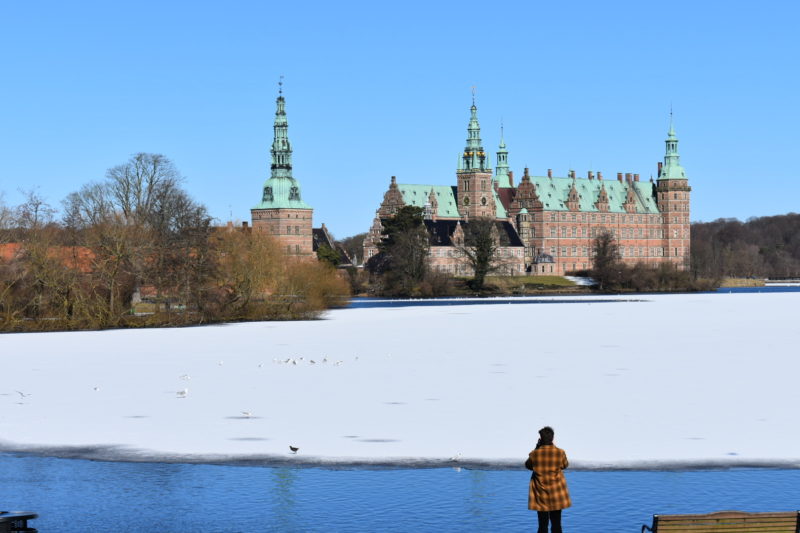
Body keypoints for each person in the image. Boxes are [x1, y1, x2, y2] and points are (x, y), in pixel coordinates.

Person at [525, 426, 571, 533]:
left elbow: (528, 466)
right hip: (557, 493)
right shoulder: (560, 453)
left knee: (542, 526)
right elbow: (565, 465)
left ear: (540, 439)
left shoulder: (534, 454)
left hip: (540, 496)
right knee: (556, 525)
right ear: (553, 438)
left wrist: (537, 447)